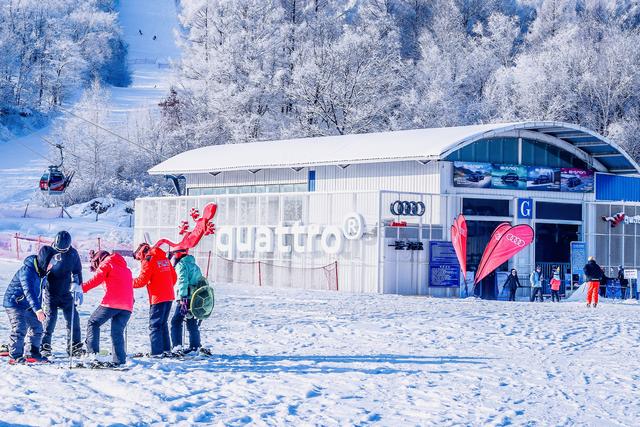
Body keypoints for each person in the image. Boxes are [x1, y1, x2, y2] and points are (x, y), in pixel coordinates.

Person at [3, 246, 56, 364]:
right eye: (52, 261)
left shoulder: (43, 272)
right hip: (14, 303)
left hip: (28, 304)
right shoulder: (27, 271)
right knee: (20, 327)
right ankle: (15, 355)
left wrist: (41, 308)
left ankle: (32, 353)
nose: (53, 264)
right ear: (45, 260)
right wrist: (37, 310)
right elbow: (29, 292)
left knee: (37, 328)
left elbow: (40, 293)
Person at [82, 250, 134, 366]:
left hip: (112, 302)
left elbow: (96, 279)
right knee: (117, 332)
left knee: (93, 322)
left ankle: (92, 355)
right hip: (127, 305)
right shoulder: (126, 268)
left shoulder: (107, 263)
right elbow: (129, 286)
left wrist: (81, 288)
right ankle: (120, 360)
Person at [41, 231, 84, 357]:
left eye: (64, 250)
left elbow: (77, 271)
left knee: (73, 318)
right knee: (50, 319)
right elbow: (41, 269)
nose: (61, 252)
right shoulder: (48, 252)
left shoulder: (72, 254)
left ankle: (74, 345)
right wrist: (41, 285)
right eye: (59, 249)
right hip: (51, 292)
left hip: (66, 292)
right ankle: (44, 345)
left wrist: (77, 285)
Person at [133, 243, 177, 357]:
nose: (140, 261)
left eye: (139, 259)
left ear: (141, 253)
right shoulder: (164, 258)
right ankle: (166, 350)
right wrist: (167, 286)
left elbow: (142, 280)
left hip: (157, 297)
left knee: (155, 325)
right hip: (169, 295)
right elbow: (174, 276)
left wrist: (128, 282)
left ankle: (157, 353)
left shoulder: (148, 260)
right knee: (163, 324)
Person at [170, 251, 204, 354]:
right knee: (192, 321)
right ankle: (195, 346)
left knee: (176, 321)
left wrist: (182, 297)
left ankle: (177, 346)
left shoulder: (181, 265)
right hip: (194, 298)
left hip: (185, 298)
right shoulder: (195, 266)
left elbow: (182, 281)